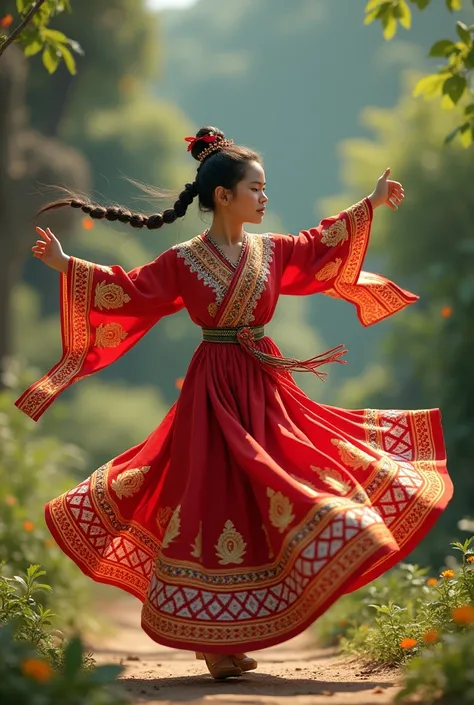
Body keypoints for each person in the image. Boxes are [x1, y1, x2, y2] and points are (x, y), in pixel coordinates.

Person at [16, 127, 452, 680]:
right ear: (224, 196)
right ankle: (215, 644)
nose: (265, 198)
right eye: (257, 188)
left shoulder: (273, 251)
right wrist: (66, 265)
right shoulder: (181, 260)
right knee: (212, 498)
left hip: (265, 387)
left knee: (288, 477)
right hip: (212, 389)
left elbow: (323, 245)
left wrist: (370, 203)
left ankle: (268, 605)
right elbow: (130, 291)